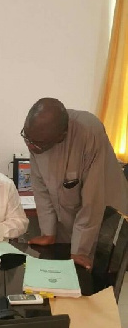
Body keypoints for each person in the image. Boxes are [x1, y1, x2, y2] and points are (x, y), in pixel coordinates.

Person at [21, 97, 128, 269]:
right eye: (26, 137)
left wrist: (80, 250)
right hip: (70, 216)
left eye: (37, 143)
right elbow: (41, 188)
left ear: (61, 136)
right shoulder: (36, 137)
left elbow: (93, 199)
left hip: (105, 217)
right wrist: (48, 232)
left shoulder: (89, 132)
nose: (30, 146)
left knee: (96, 274)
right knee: (62, 269)